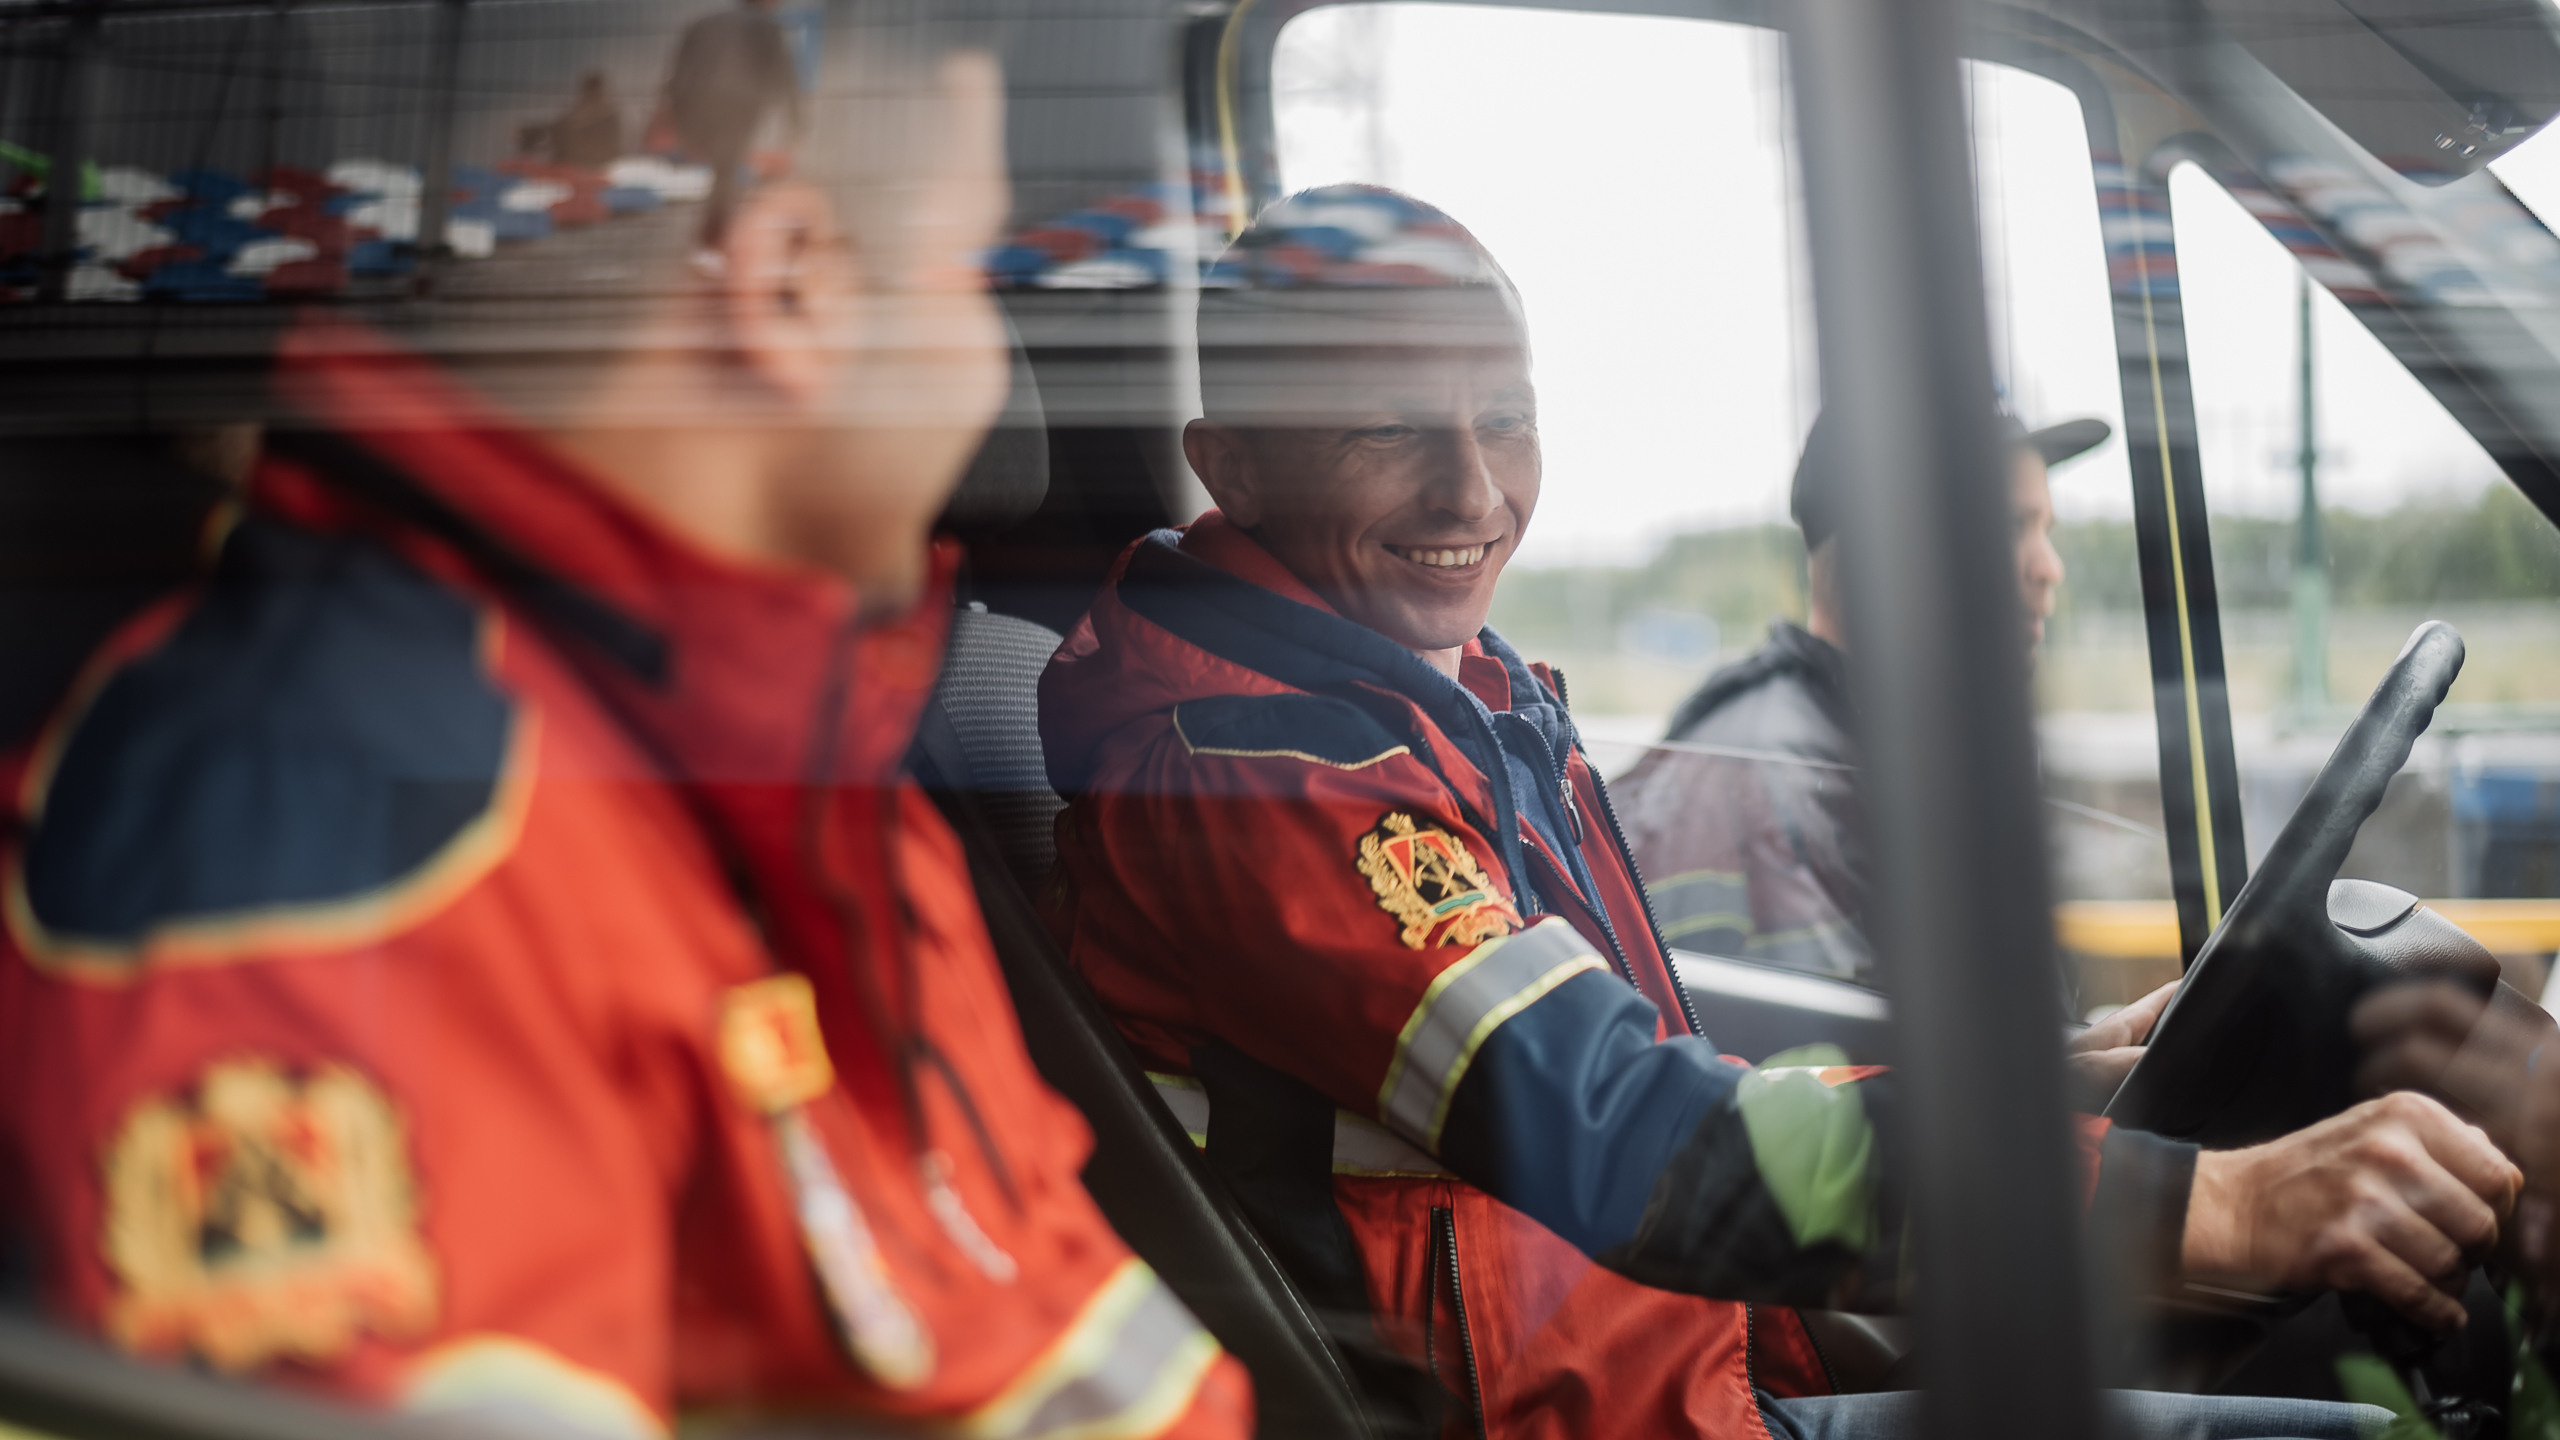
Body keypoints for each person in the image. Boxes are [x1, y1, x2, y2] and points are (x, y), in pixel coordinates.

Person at [1038, 185, 2513, 1439]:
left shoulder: (1449, 698)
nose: (1473, 487)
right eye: (1387, 430)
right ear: (1227, 461)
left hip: (1678, 1362)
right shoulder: (1259, 778)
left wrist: (2044, 1086)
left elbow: (1634, 1054)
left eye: (1507, 419)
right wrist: (2235, 1208)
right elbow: (1628, 1128)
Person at [0, 8, 1248, 1439]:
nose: (990, 368)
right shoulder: (342, 840)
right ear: (787, 288)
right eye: (972, 276)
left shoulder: (796, 768)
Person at [1610, 409, 2106, 989]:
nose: (2050, 568)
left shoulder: (1898, 753)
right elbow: (1808, 1069)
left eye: (2046, 531)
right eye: (2008, 528)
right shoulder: (1775, 786)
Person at [662, 0, 804, 266]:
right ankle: (712, 241)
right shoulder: (768, 29)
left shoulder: (700, 25)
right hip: (738, 107)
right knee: (726, 173)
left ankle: (715, 236)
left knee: (723, 172)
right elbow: (786, 80)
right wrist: (795, 126)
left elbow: (676, 77)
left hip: (698, 107)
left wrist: (680, 121)